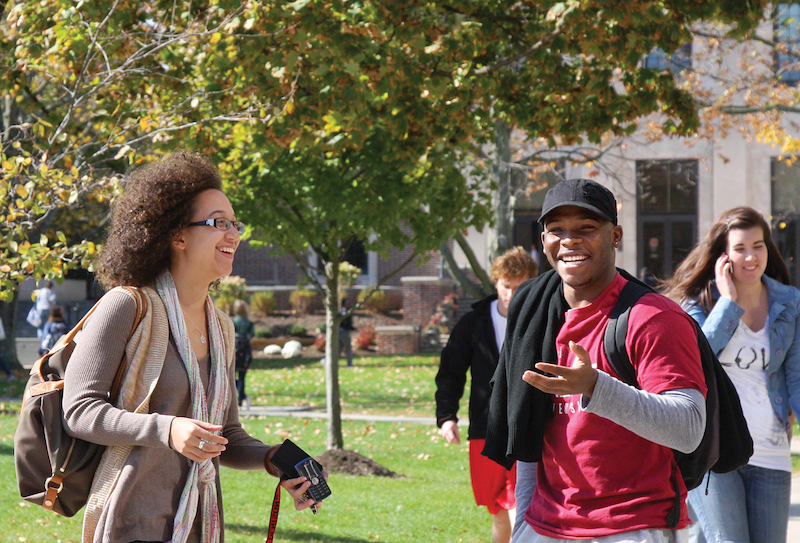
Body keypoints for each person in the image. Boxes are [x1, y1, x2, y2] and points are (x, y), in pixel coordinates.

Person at [62, 151, 321, 543]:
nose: (233, 235)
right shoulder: (128, 305)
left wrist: (275, 460)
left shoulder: (220, 327)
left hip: (200, 524)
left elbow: (227, 435)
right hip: (131, 520)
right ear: (177, 234)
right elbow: (79, 411)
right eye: (218, 223)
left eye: (235, 224)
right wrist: (166, 429)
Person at [484, 178, 707, 543]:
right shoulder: (536, 314)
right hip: (545, 525)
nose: (569, 240)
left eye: (586, 228)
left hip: (631, 526)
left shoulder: (651, 317)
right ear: (544, 241)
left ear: (615, 235)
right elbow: (528, 428)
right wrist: (523, 524)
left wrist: (596, 387)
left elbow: (688, 428)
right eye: (556, 230)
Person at [662, 206, 800, 543]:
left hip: (770, 449)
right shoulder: (699, 304)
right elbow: (696, 360)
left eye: (758, 246)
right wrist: (728, 303)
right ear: (723, 256)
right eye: (740, 248)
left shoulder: (789, 303)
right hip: (714, 448)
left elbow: (796, 378)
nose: (751, 257)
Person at [435, 246, 538, 543]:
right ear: (496, 282)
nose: (512, 293)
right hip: (486, 427)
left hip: (529, 427)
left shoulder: (542, 319)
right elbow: (450, 372)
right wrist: (446, 417)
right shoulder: (474, 322)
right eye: (506, 286)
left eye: (520, 287)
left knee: (523, 506)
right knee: (498, 508)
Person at [232, 299, 255, 407]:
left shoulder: (233, 322)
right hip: (246, 352)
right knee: (242, 376)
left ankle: (240, 395)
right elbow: (252, 335)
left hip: (234, 352)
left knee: (231, 376)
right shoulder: (249, 324)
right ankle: (241, 397)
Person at [339, 297, 355, 367]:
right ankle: (349, 364)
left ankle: (328, 361)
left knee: (339, 348)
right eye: (347, 303)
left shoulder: (342, 311)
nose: (349, 304)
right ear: (344, 304)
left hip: (340, 331)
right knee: (348, 347)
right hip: (343, 331)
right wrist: (352, 328)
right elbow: (345, 323)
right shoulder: (345, 312)